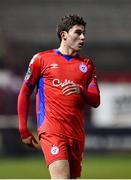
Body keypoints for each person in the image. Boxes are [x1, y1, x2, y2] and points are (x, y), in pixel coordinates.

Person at [17, 14, 100, 179]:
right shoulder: (41, 59)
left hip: (76, 134)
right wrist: (23, 129)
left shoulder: (87, 65)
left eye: (84, 33)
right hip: (52, 130)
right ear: (64, 35)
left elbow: (96, 100)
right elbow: (24, 93)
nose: (83, 37)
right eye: (77, 32)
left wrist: (80, 90)